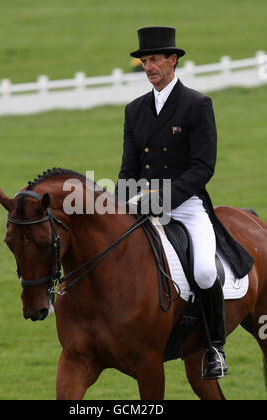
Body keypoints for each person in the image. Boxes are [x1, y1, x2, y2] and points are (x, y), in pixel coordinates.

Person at [115, 26, 254, 379]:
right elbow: (129, 167)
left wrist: (164, 198)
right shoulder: (135, 110)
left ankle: (214, 348)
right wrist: (120, 201)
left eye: (155, 59)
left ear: (173, 60)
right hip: (144, 202)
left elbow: (203, 167)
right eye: (144, 61)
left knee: (206, 271)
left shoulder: (196, 104)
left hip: (187, 204)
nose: (148, 67)